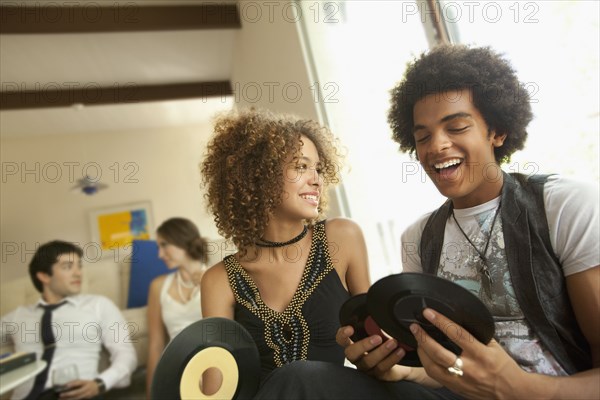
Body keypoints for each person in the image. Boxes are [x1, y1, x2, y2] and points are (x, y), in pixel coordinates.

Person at [336, 45, 599, 399]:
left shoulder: (564, 206)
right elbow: (447, 370)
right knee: (303, 379)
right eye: (423, 136)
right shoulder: (419, 238)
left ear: (498, 131)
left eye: (456, 126)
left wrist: (518, 388)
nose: (438, 146)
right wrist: (399, 369)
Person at [199, 108, 376, 394]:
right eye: (301, 166)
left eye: (318, 168)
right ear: (257, 176)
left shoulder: (342, 239)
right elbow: (216, 387)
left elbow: (377, 342)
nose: (316, 179)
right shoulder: (219, 280)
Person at [0, 241, 137, 400]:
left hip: (76, 395)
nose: (78, 273)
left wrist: (100, 383)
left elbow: (125, 353)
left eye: (79, 266)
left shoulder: (98, 305)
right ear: (44, 276)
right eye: (67, 267)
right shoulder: (18, 315)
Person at [145, 217, 208, 397]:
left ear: (182, 240)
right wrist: (151, 395)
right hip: (176, 365)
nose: (160, 254)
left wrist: (208, 283)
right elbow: (155, 345)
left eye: (164, 245)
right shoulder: (158, 286)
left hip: (213, 363)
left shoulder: (216, 278)